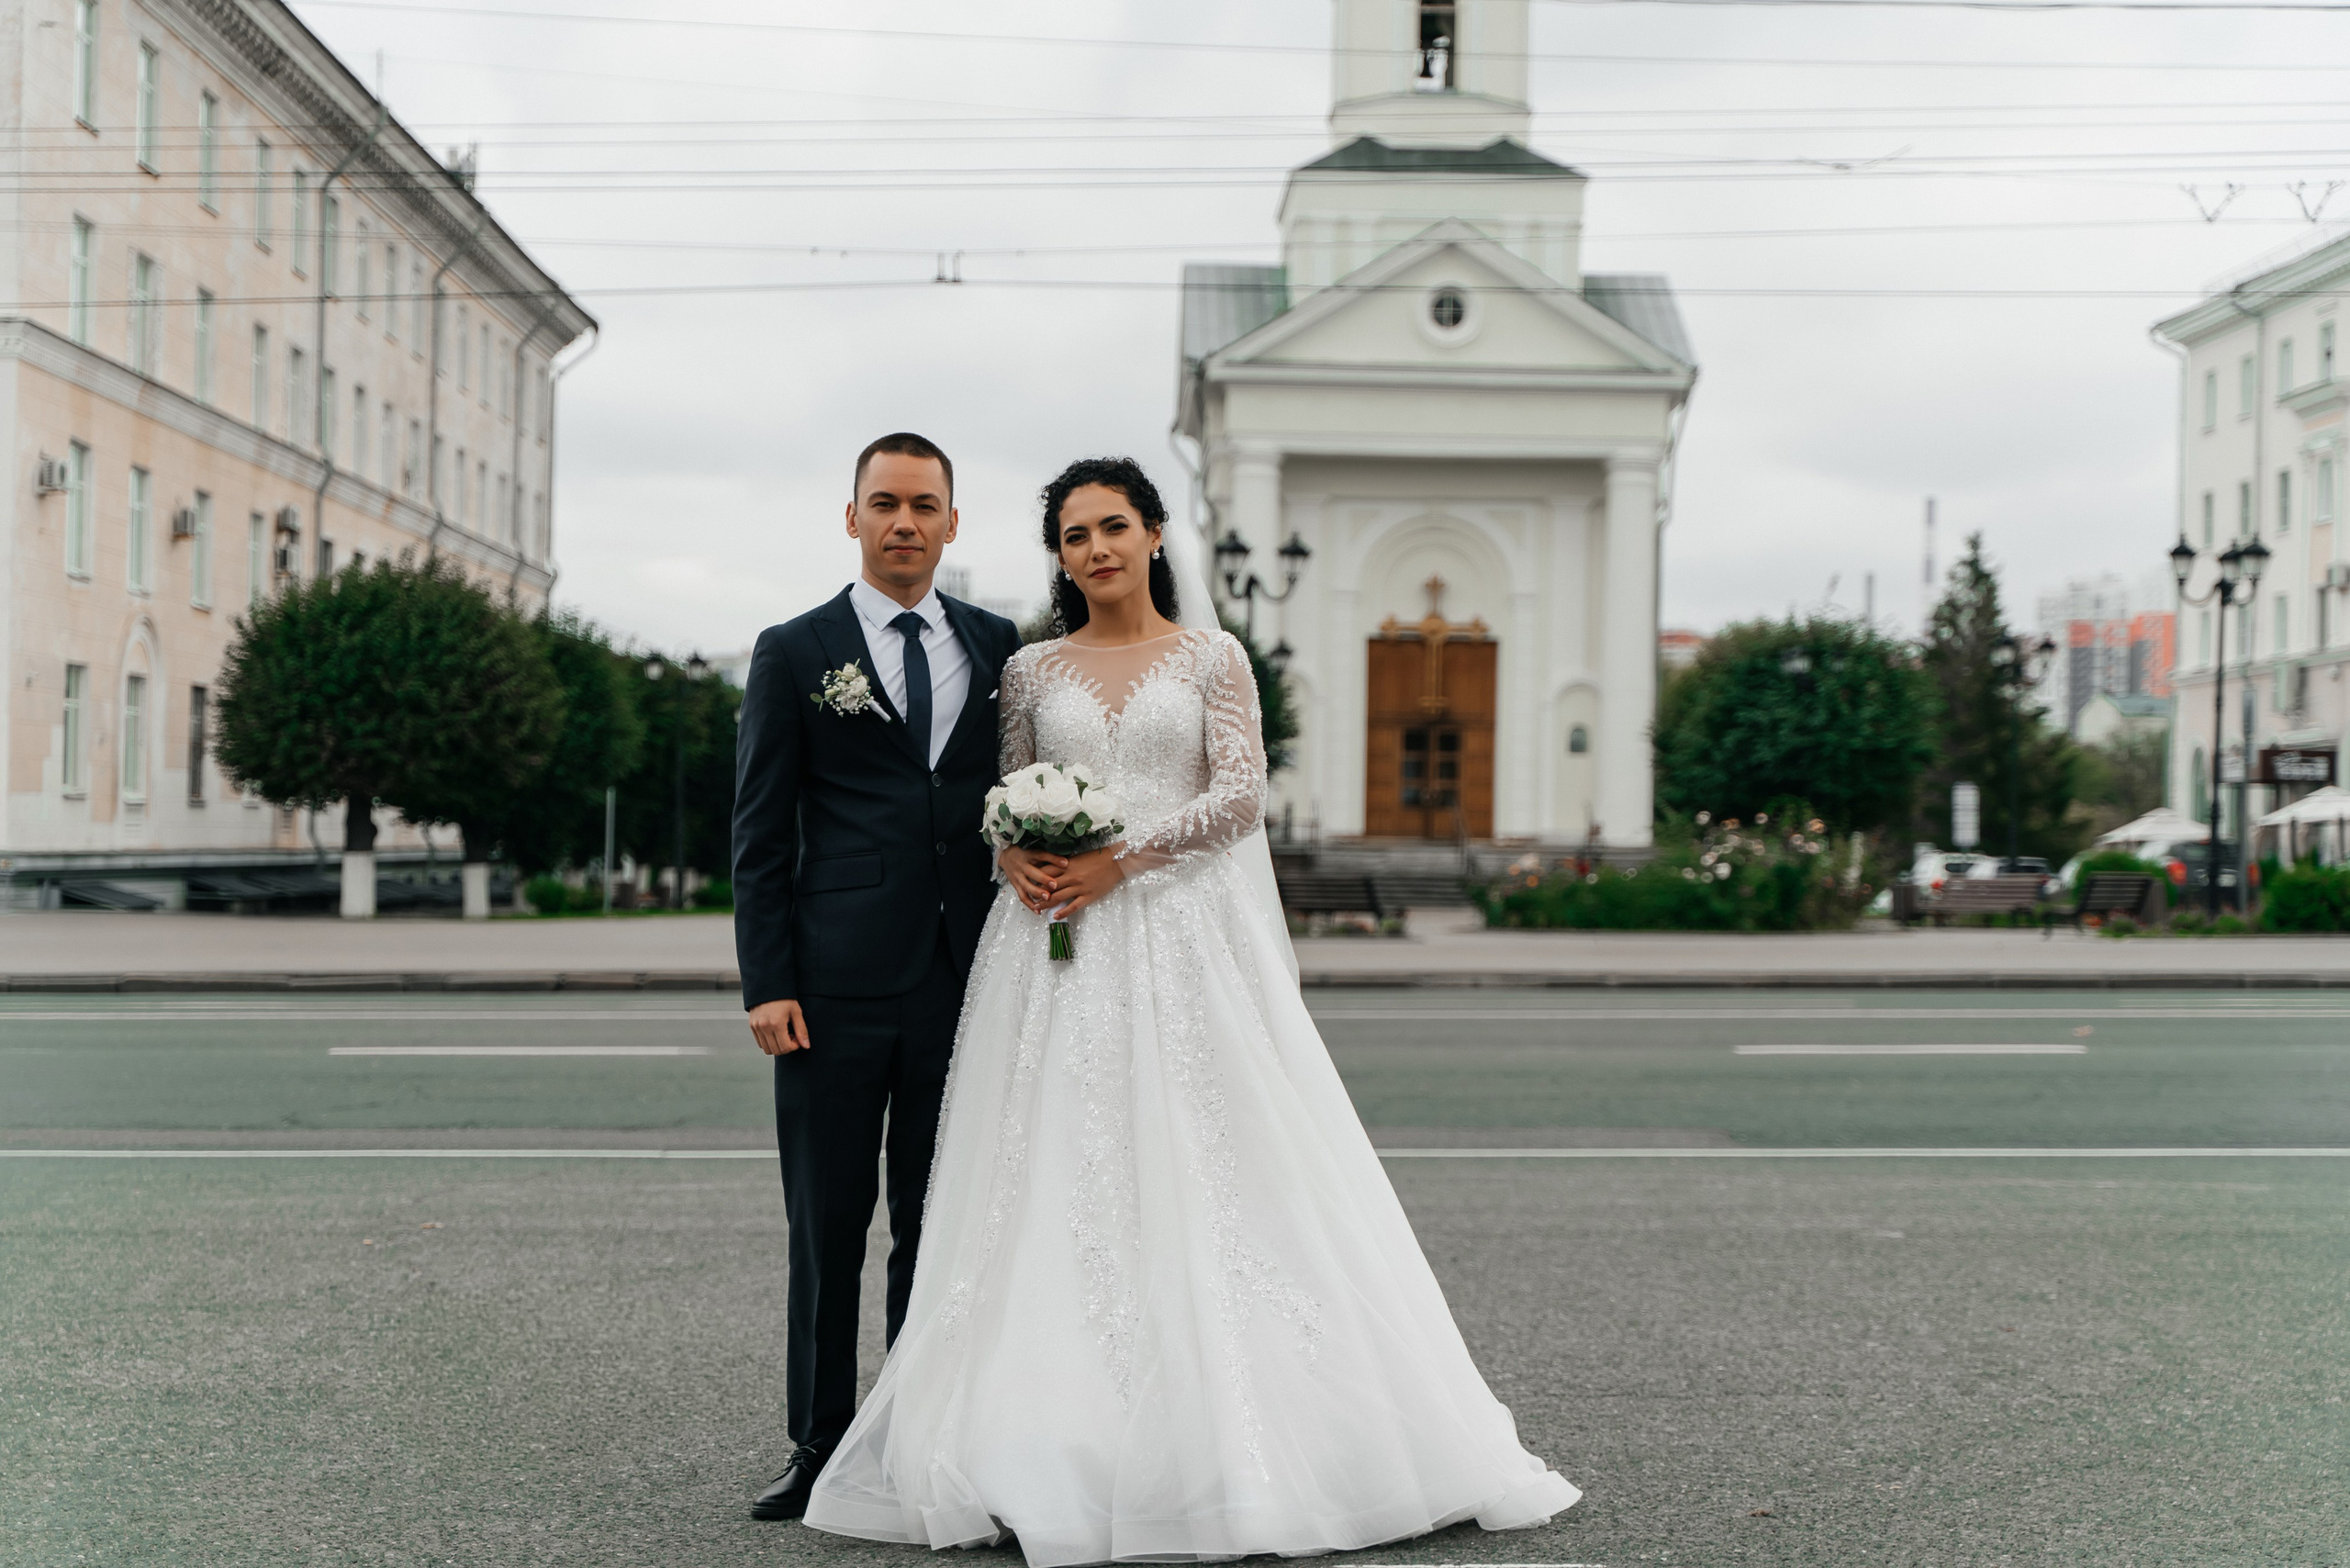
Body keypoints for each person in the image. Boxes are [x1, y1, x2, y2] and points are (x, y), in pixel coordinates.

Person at [803, 456, 1579, 1565]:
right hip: (1052, 949)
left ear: (1156, 535)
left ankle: (1246, 1440)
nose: (1096, 550)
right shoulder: (1027, 670)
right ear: (1060, 556)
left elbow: (1241, 791)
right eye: (1074, 536)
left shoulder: (1212, 656)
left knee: (1211, 1163)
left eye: (1113, 526)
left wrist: (1125, 859)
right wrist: (1021, 850)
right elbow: (1002, 789)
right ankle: (1049, 1434)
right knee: (1055, 1170)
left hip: (1176, 935)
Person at [731, 431, 1024, 1521]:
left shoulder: (1000, 646)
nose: (905, 522)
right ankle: (816, 1446)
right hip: (830, 988)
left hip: (966, 982)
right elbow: (759, 831)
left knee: (936, 1224)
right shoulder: (794, 649)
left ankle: (914, 1437)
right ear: (850, 517)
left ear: (954, 522)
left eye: (925, 505)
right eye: (885, 503)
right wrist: (767, 980)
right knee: (828, 1223)